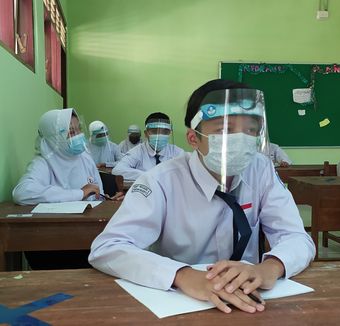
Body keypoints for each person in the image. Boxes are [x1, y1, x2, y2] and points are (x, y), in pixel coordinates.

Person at [89, 79, 315, 314]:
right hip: (182, 304)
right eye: (224, 130)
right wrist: (182, 275)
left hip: (250, 302)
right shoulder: (161, 181)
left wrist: (270, 267)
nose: (241, 139)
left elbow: (297, 237)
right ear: (193, 138)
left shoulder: (261, 169)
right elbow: (108, 247)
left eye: (251, 130)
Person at [12, 108, 116, 270]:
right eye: (71, 132)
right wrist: (79, 193)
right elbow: (22, 192)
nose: (79, 135)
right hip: (51, 243)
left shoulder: (85, 158)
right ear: (54, 137)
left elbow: (97, 195)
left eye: (79, 129)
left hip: (89, 238)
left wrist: (106, 199)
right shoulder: (44, 162)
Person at [112, 112, 184, 180]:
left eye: (165, 131)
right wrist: (149, 175)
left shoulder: (177, 152)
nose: (159, 135)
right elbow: (117, 170)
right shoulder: (138, 151)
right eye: (154, 131)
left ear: (169, 133)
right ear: (146, 133)